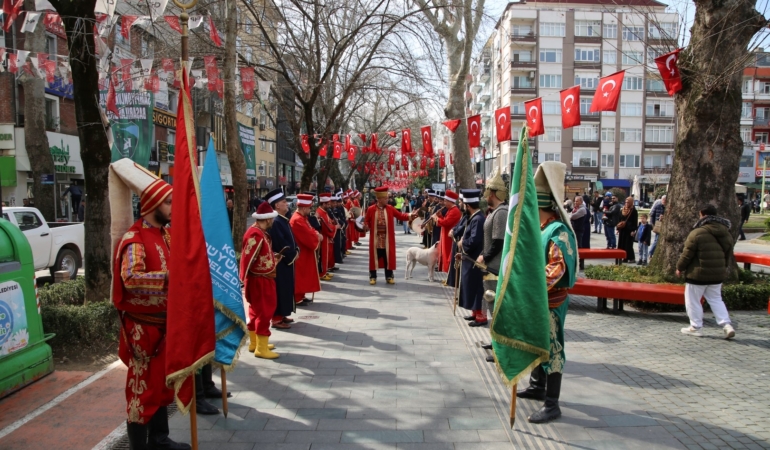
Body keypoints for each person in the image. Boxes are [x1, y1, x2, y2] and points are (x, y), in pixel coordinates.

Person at [108, 159, 190, 450]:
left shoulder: (166, 234)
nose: (172, 207)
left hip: (167, 324)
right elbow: (131, 278)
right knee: (143, 389)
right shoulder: (135, 238)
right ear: (153, 204)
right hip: (144, 330)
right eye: (168, 202)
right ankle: (139, 447)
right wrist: (170, 277)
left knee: (162, 385)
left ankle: (159, 439)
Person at [516, 161, 577, 424]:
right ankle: (537, 386)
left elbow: (557, 268)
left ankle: (552, 404)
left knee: (552, 349)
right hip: (537, 300)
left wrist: (530, 285)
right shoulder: (540, 229)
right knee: (537, 343)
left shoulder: (557, 230)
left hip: (550, 301)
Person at [676, 204, 736, 339]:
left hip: (698, 274)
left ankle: (696, 327)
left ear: (703, 215)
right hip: (717, 273)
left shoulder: (697, 232)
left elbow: (687, 254)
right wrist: (724, 267)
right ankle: (726, 324)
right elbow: (728, 253)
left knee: (693, 300)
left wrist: (680, 267)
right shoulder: (725, 231)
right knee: (716, 299)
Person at [240, 202, 281, 359]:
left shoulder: (258, 233)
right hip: (260, 280)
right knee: (265, 311)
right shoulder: (255, 235)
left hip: (260, 278)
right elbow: (248, 258)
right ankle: (261, 348)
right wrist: (243, 278)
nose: (272, 221)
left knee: (256, 311)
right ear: (268, 219)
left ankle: (255, 342)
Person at [478, 173, 508, 349]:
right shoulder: (494, 212)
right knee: (491, 303)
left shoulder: (501, 213)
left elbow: (498, 242)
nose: (486, 196)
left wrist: (485, 257)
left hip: (495, 267)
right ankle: (496, 341)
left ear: (494, 194)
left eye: (489, 193)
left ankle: (500, 345)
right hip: (490, 266)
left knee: (496, 305)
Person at [363, 186, 415, 284]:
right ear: (379, 199)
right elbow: (366, 221)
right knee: (375, 257)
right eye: (385, 198)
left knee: (388, 257)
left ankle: (389, 276)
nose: (388, 199)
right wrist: (365, 226)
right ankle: (372, 276)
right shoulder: (371, 209)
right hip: (376, 239)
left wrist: (410, 215)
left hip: (387, 238)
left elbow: (400, 216)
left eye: (387, 198)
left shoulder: (390, 208)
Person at [265, 188, 298, 330]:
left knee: (286, 288)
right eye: (284, 202)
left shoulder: (282, 220)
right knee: (280, 288)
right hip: (280, 261)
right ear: (277, 205)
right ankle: (277, 318)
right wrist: (293, 253)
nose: (287, 204)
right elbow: (280, 244)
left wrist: (295, 249)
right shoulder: (276, 222)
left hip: (286, 262)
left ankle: (283, 313)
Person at [457, 189, 486, 326]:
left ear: (468, 206)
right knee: (471, 286)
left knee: (477, 287)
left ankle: (480, 315)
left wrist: (463, 243)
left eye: (463, 204)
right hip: (469, 258)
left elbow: (475, 240)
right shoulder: (474, 218)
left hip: (475, 259)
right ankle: (475, 312)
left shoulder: (478, 219)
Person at [290, 194, 322, 305]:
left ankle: (301, 295)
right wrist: (317, 236)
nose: (310, 210)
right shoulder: (298, 220)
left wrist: (316, 233)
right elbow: (309, 235)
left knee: (304, 275)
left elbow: (311, 230)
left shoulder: (302, 218)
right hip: (302, 252)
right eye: (309, 208)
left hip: (305, 251)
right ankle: (297, 297)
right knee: (301, 275)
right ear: (303, 208)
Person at [436, 191, 462, 274]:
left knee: (448, 255)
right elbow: (445, 220)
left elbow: (446, 223)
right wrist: (440, 216)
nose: (444, 203)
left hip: (449, 237)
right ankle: (446, 273)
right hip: (446, 235)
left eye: (445, 201)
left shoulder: (454, 211)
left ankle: (448, 274)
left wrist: (436, 219)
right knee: (445, 254)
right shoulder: (450, 210)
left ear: (450, 201)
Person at [315, 193, 338, 281]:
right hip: (323, 237)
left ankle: (325, 271)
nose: (329, 206)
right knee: (323, 256)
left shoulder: (324, 212)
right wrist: (335, 227)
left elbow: (329, 222)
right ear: (323, 204)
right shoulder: (321, 212)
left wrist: (333, 222)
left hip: (326, 238)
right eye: (328, 204)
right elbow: (326, 227)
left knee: (326, 255)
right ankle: (322, 273)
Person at [617, 197, 638, 263]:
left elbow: (635, 221)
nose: (626, 203)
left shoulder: (633, 211)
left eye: (628, 202)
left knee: (628, 245)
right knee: (622, 243)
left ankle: (631, 258)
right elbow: (619, 219)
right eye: (626, 202)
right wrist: (618, 228)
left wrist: (633, 230)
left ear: (631, 202)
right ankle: (624, 257)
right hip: (622, 230)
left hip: (629, 230)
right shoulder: (622, 210)